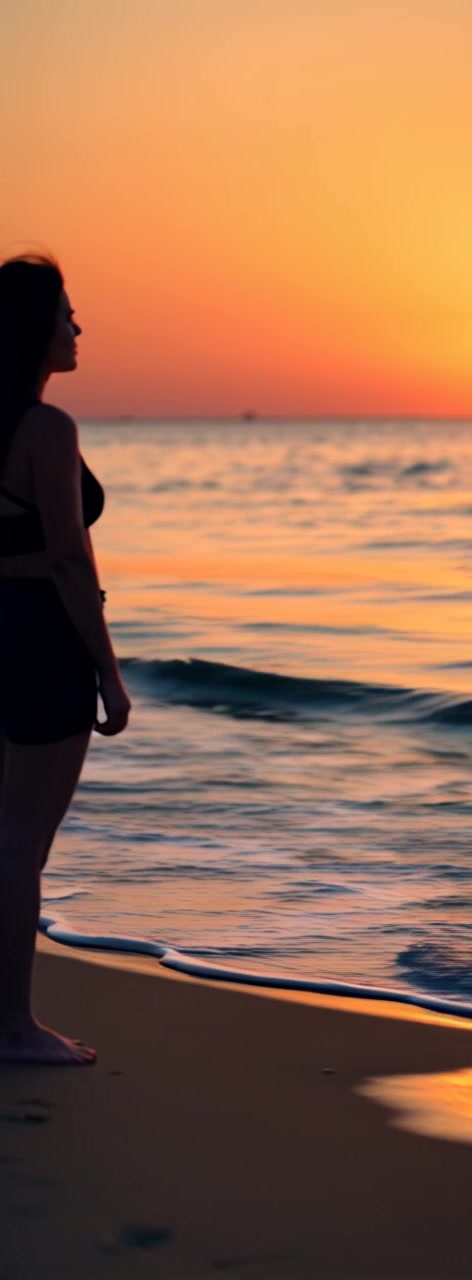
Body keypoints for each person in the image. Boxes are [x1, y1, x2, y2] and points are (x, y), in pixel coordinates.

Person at [0, 253, 131, 1065]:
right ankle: (14, 1028)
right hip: (40, 640)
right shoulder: (46, 430)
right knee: (20, 845)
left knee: (0, 840)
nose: (77, 328)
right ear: (34, 331)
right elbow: (69, 561)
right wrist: (109, 674)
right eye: (66, 315)